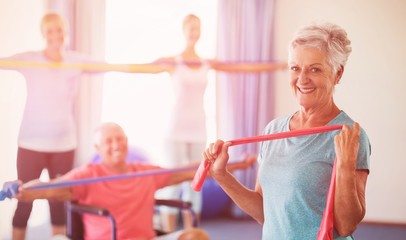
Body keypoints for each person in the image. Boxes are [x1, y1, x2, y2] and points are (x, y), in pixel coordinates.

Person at [202, 22, 371, 239]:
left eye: (315, 69)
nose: (302, 79)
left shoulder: (349, 136)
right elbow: (265, 212)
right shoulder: (273, 130)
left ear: (338, 74)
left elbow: (346, 225)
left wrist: (346, 166)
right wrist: (221, 175)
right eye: (295, 68)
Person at [145, 13, 288, 232]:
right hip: (175, 130)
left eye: (197, 29)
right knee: (173, 185)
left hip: (198, 128)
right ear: (184, 31)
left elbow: (239, 68)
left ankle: (192, 233)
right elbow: (142, 67)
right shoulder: (173, 61)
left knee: (196, 182)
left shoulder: (205, 63)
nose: (194, 33)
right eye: (191, 28)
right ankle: (169, 234)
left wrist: (277, 66)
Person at [14, 122, 255, 240]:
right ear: (98, 147)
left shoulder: (143, 172)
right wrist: (22, 190)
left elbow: (190, 170)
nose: (116, 144)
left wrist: (238, 164)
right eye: (108, 141)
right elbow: (47, 190)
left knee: (196, 236)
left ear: (127, 141)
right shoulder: (87, 175)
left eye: (119, 139)